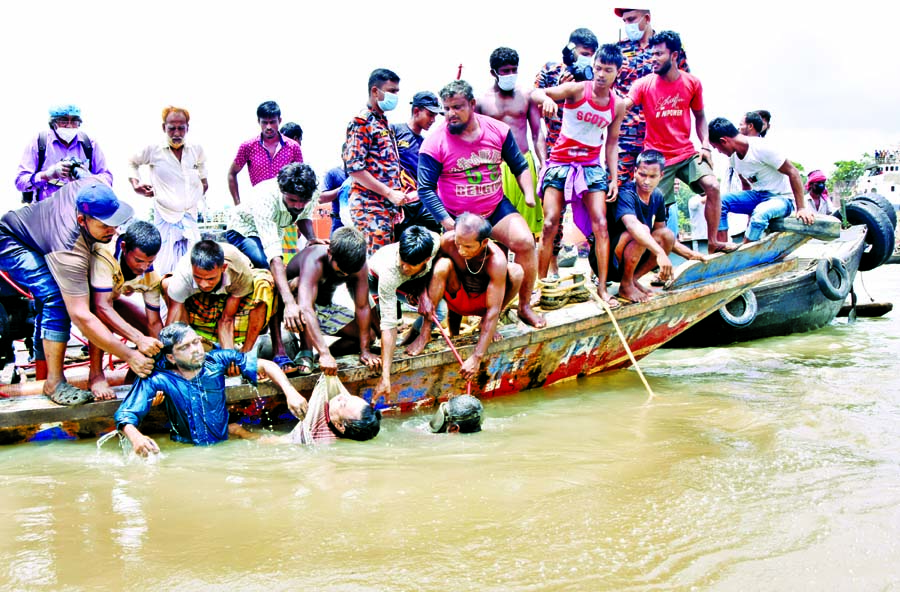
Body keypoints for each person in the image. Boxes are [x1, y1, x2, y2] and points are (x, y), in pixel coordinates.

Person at [0, 180, 154, 405]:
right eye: (105, 226)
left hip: (42, 233)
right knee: (55, 298)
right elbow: (81, 315)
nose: (113, 231)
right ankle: (53, 382)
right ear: (82, 220)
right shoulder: (69, 248)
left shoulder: (92, 185)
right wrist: (129, 354)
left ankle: (62, 370)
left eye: (115, 223)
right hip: (12, 240)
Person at [417, 79, 545, 329]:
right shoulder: (433, 143)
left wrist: (529, 193)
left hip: (494, 208)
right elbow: (425, 189)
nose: (450, 114)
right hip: (458, 217)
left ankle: (524, 307)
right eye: (446, 109)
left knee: (526, 242)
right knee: (458, 269)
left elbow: (519, 165)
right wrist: (448, 223)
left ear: (472, 105)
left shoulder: (498, 130)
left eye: (457, 107)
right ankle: (450, 320)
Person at [114, 323, 308, 455]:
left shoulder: (216, 362)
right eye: (185, 347)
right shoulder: (160, 379)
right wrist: (136, 438)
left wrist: (291, 392)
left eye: (196, 342)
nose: (196, 349)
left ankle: (237, 430)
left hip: (224, 445)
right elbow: (125, 414)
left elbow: (267, 365)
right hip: (185, 450)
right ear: (172, 358)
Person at [531, 43, 626, 307]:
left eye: (608, 70)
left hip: (591, 167)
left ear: (617, 72)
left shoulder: (617, 105)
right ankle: (540, 285)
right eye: (597, 68)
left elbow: (612, 143)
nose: (601, 74)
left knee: (601, 225)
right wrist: (548, 99)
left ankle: (604, 289)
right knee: (550, 223)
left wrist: (614, 178)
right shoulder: (575, 90)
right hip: (560, 163)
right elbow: (535, 93)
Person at [622, 31, 730, 253]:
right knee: (657, 213)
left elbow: (700, 116)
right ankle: (655, 259)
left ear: (674, 55)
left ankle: (713, 242)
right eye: (652, 54)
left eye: (659, 54)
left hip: (687, 153)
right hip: (658, 160)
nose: (653, 58)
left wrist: (705, 145)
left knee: (713, 186)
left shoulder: (692, 83)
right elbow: (625, 104)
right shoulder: (643, 84)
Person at [225, 162, 319, 372]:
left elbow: (303, 216)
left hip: (275, 231)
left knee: (295, 273)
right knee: (273, 277)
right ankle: (279, 349)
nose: (297, 205)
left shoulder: (313, 190)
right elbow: (273, 256)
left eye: (302, 201)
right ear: (282, 191)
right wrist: (289, 303)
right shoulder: (265, 198)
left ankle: (306, 348)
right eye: (292, 200)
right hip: (244, 232)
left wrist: (312, 238)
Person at [411, 214, 523, 381]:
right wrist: (423, 295)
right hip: (456, 295)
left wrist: (477, 357)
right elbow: (425, 269)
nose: (462, 251)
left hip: (484, 304)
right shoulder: (447, 241)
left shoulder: (496, 260)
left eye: (468, 247)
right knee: (442, 264)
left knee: (516, 271)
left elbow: (493, 310)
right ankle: (425, 333)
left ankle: (484, 324)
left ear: (484, 242)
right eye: (458, 244)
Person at [600, 150, 707, 304]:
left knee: (667, 235)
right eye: (643, 175)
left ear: (661, 176)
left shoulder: (657, 196)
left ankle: (632, 281)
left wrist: (690, 255)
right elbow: (632, 226)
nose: (647, 181)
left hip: (633, 257)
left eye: (652, 177)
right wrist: (660, 254)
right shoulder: (626, 193)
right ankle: (625, 285)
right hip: (611, 261)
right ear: (635, 172)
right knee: (642, 230)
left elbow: (661, 234)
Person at [534, 28, 600, 276]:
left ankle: (596, 273)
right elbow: (534, 100)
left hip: (587, 156)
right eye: (584, 53)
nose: (587, 58)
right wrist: (550, 97)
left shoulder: (593, 76)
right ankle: (550, 274)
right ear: (571, 49)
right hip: (556, 154)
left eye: (591, 54)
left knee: (595, 216)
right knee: (553, 219)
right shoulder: (549, 71)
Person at [285, 227, 380, 376]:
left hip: (324, 307)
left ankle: (321, 357)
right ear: (330, 253)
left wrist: (365, 350)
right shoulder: (314, 259)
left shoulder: (358, 263)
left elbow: (362, 307)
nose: (346, 274)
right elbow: (306, 308)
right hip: (293, 308)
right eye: (341, 271)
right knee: (299, 288)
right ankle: (306, 351)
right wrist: (324, 353)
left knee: (369, 336)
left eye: (350, 272)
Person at [613, 7, 689, 192]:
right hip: (625, 136)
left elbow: (683, 89)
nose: (628, 25)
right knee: (618, 189)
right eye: (625, 21)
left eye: (632, 19)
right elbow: (604, 89)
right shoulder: (617, 50)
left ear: (647, 18)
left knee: (658, 194)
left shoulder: (667, 48)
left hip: (659, 136)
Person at [127, 106, 208, 275]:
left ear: (187, 128)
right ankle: (163, 302)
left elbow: (202, 167)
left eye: (181, 128)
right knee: (163, 267)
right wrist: (136, 185)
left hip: (190, 215)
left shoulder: (196, 149)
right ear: (164, 128)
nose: (176, 133)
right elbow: (131, 162)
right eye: (172, 128)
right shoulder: (154, 149)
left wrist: (203, 183)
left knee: (194, 267)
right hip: (165, 216)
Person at [88, 220, 165, 399]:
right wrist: (138, 340)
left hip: (110, 300)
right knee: (103, 321)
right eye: (138, 260)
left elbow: (154, 322)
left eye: (149, 261)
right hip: (83, 300)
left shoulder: (151, 276)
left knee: (150, 333)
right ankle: (96, 375)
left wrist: (162, 359)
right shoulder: (104, 253)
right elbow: (101, 307)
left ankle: (136, 376)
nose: (143, 267)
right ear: (123, 247)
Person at [708, 117, 815, 243]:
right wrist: (748, 216)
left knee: (760, 214)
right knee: (719, 202)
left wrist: (801, 208)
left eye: (717, 148)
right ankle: (722, 248)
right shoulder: (733, 158)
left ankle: (745, 253)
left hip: (782, 199)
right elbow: (745, 185)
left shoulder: (761, 148)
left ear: (723, 141)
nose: (719, 152)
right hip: (758, 196)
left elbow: (793, 172)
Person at [476, 47, 544, 236]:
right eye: (505, 71)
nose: (511, 74)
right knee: (498, 230)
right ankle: (503, 266)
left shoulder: (526, 95)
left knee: (530, 231)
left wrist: (544, 165)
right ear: (494, 73)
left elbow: (538, 133)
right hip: (495, 167)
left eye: (514, 69)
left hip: (523, 163)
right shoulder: (481, 101)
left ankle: (530, 266)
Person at [162, 240, 274, 354]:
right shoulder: (182, 277)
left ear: (223, 268)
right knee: (167, 284)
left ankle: (246, 352)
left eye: (210, 279)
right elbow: (173, 320)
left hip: (234, 295)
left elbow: (226, 319)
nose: (204, 284)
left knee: (263, 284)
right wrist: (167, 352)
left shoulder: (239, 271)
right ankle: (194, 347)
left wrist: (229, 357)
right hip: (198, 304)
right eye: (198, 277)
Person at [369, 225, 442, 399]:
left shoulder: (436, 241)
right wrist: (385, 376)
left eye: (411, 264)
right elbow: (389, 325)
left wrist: (424, 293)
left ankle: (409, 340)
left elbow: (435, 269)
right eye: (402, 260)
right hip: (374, 279)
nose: (404, 266)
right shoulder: (391, 272)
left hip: (415, 280)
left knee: (441, 311)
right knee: (384, 319)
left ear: (426, 259)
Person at [342, 68, 408, 256]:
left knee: (385, 266)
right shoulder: (362, 122)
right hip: (369, 207)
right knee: (375, 267)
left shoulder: (382, 122)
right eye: (392, 91)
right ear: (375, 91)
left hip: (385, 208)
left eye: (397, 91)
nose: (395, 96)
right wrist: (389, 193)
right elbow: (354, 169)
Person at [15, 104, 113, 203]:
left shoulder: (89, 144)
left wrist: (88, 178)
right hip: (46, 211)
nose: (69, 125)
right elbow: (20, 182)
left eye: (74, 120)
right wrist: (47, 175)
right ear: (53, 122)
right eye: (63, 120)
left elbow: (107, 179)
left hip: (80, 211)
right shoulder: (39, 142)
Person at [227, 101, 303, 206]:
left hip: (285, 208)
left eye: (272, 122)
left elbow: (302, 177)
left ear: (279, 121)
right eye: (264, 122)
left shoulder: (293, 147)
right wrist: (237, 204)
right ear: (258, 121)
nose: (268, 127)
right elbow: (232, 173)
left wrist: (297, 207)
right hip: (259, 205)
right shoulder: (248, 147)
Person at [392, 91, 443, 235]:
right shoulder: (395, 132)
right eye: (430, 114)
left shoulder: (427, 144)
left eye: (435, 116)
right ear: (416, 111)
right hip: (399, 203)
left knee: (434, 237)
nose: (433, 120)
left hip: (421, 202)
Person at [319, 166, 351, 234]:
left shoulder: (365, 174)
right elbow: (321, 198)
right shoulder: (333, 173)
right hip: (339, 222)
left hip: (361, 220)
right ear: (343, 156)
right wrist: (343, 188)